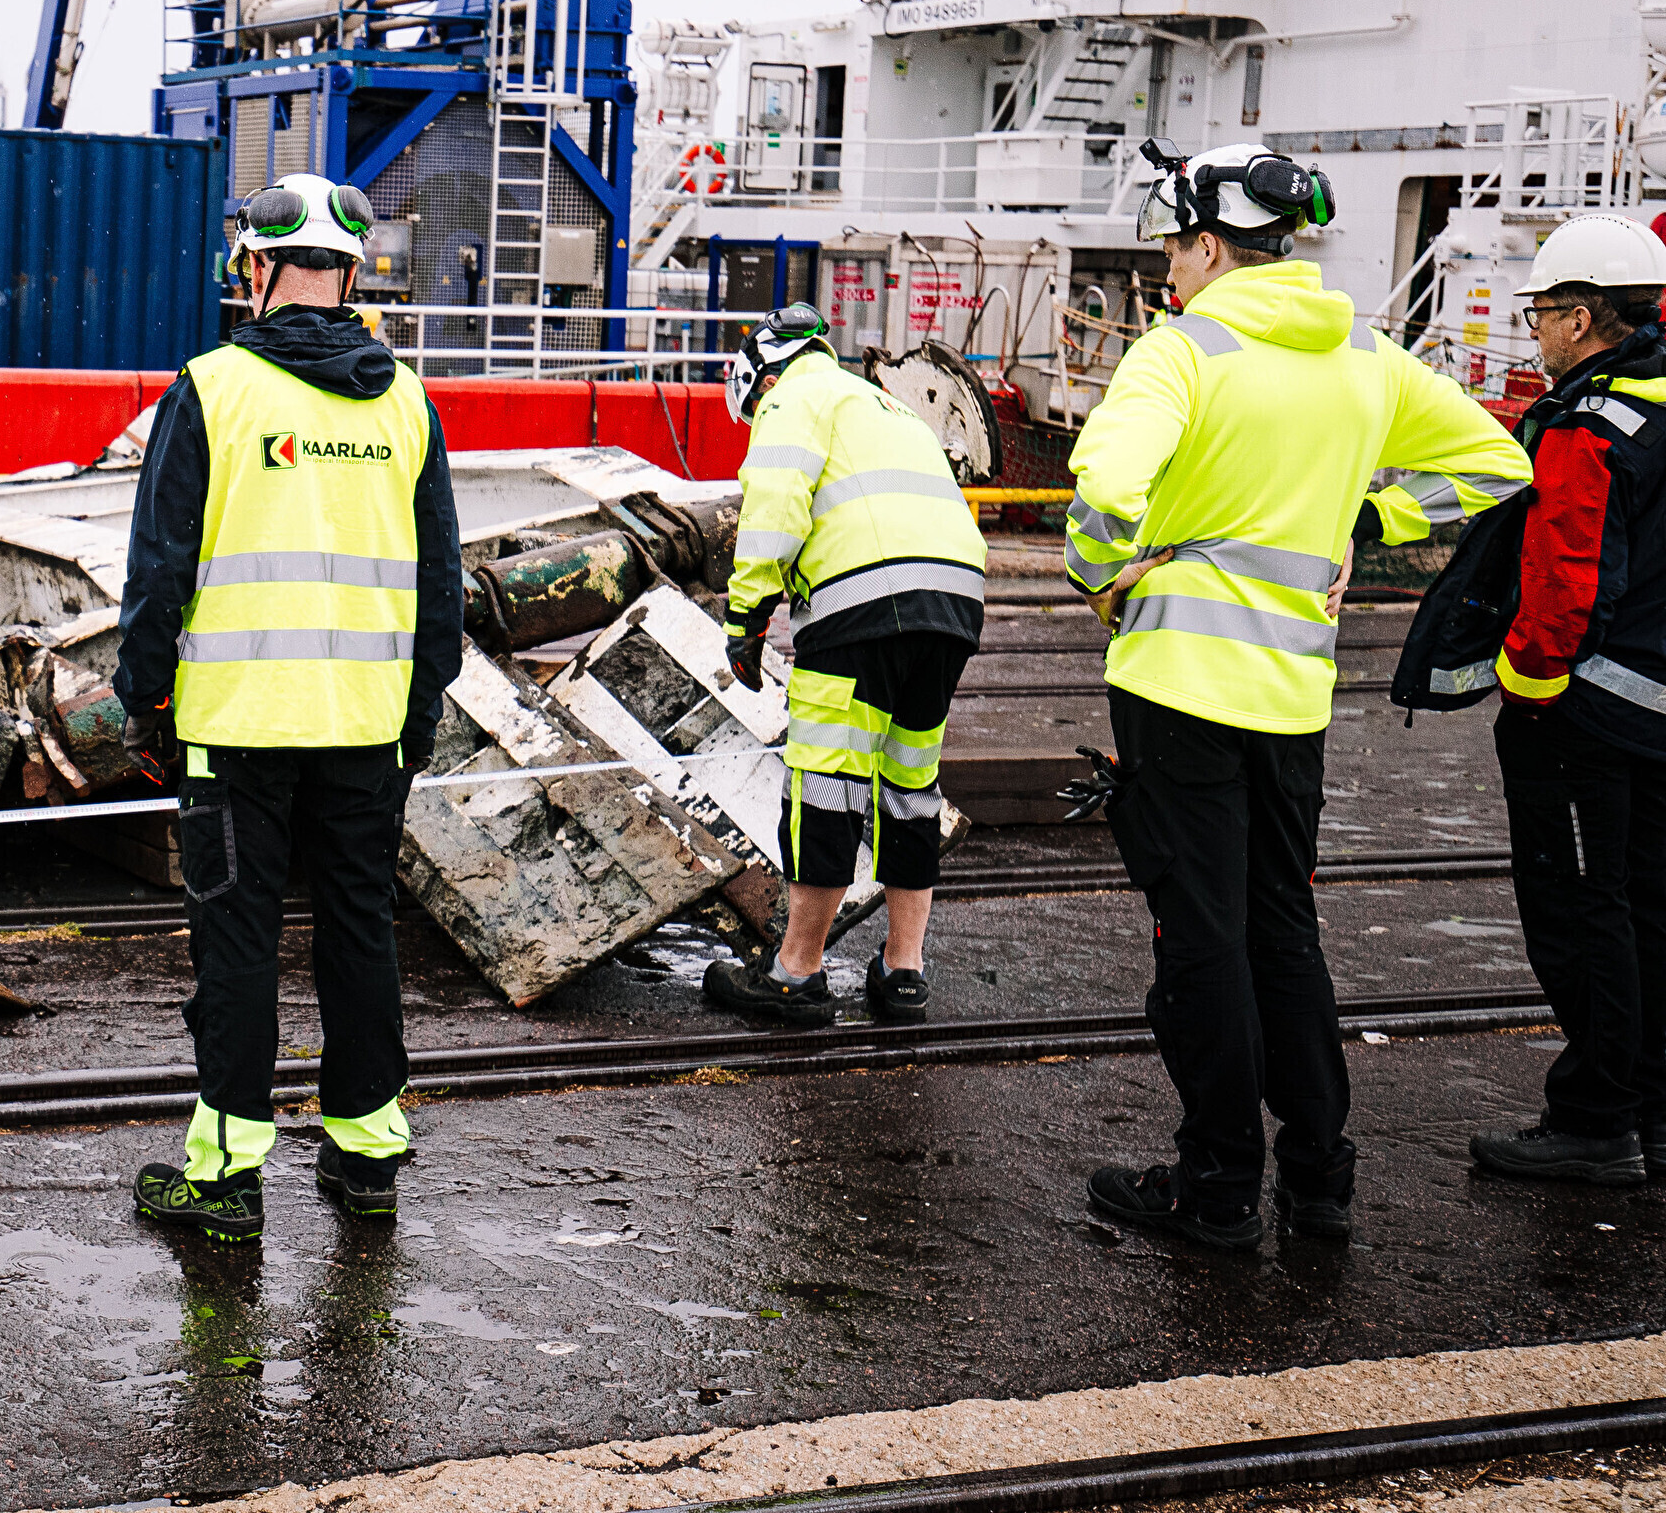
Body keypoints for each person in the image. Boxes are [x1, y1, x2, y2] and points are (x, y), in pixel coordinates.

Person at [1067, 143, 1530, 1250]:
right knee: (1283, 929)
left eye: (1173, 246)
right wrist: (1369, 521)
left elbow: (1106, 493)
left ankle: (1217, 1186)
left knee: (1201, 942)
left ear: (1209, 244)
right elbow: (1499, 465)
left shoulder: (1181, 350)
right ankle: (1319, 1179)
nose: (1167, 267)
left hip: (1177, 689)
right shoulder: (1365, 354)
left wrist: (1100, 575)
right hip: (1292, 701)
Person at [114, 173, 464, 1239]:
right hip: (367, 726)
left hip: (237, 728)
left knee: (239, 944)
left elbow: (160, 568)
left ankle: (225, 1176)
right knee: (361, 933)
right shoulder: (406, 402)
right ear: (350, 274)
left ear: (258, 268)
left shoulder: (212, 388)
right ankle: (368, 1156)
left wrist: (144, 700)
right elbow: (439, 587)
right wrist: (417, 713)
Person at [701, 303, 989, 1028]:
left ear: (761, 379)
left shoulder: (793, 396)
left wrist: (746, 618)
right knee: (909, 786)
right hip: (954, 605)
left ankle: (796, 974)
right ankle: (903, 972)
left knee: (825, 786)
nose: (756, 418)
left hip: (862, 608)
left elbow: (774, 505)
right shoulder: (885, 406)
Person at [1473, 215, 1666, 1184]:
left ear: (1582, 317)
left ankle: (1594, 1120)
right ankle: (1652, 1109)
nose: (1537, 331)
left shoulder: (1587, 425)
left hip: (1583, 719)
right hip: (1659, 711)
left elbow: (1564, 587)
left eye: (1542, 313)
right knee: (1649, 911)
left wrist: (1527, 692)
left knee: (1580, 914)